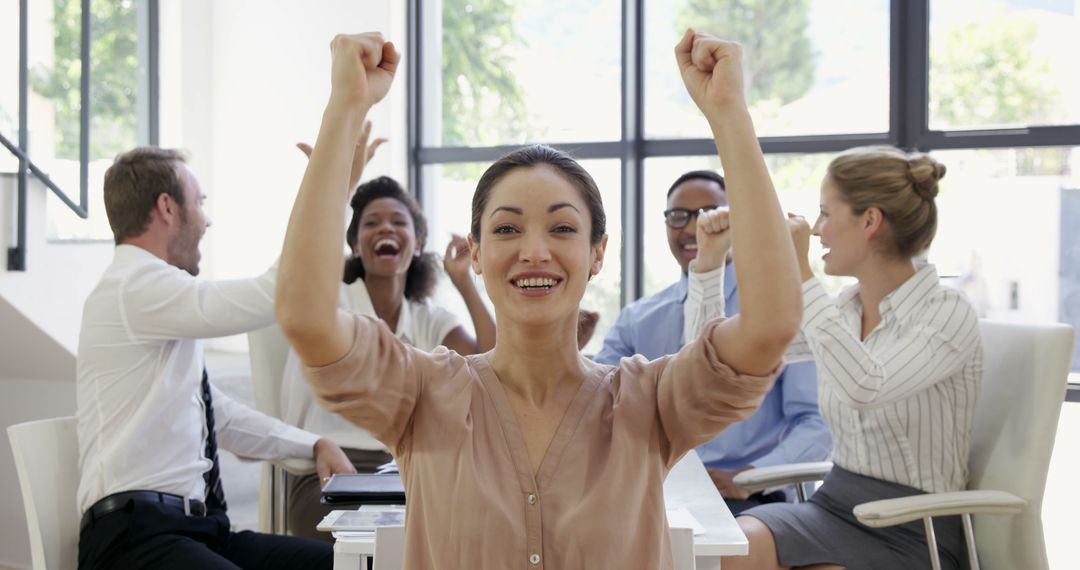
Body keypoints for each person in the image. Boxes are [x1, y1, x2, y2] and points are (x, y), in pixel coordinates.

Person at [276, 30, 803, 568]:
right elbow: (307, 317)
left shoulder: (647, 403)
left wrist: (730, 114)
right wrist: (345, 106)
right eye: (506, 231)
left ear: (598, 253)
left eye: (562, 229)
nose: (534, 251)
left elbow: (769, 327)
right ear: (475, 254)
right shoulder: (423, 394)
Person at [686, 146, 982, 569]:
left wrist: (801, 272)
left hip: (918, 532)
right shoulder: (844, 309)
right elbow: (720, 363)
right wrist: (709, 263)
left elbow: (866, 385)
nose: (817, 230)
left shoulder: (947, 312)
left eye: (825, 213)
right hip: (833, 508)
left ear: (870, 221)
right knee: (728, 551)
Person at [76, 147, 355, 570]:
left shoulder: (154, 300)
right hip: (132, 539)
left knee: (346, 564)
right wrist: (333, 191)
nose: (207, 219)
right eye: (200, 202)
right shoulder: (133, 287)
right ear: (167, 207)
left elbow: (218, 417)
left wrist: (313, 443)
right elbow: (277, 293)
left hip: (196, 530)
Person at [595, 169, 831, 514]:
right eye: (678, 216)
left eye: (709, 214)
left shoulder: (776, 314)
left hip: (751, 498)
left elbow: (816, 424)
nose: (692, 228)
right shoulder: (637, 318)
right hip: (656, 492)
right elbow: (598, 403)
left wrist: (751, 476)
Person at [280, 173, 496, 541]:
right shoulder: (332, 305)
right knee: (366, 543)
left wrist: (464, 282)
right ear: (354, 244)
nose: (387, 229)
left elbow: (491, 362)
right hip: (331, 466)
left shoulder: (427, 317)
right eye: (372, 223)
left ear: (418, 243)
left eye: (399, 222)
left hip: (412, 468)